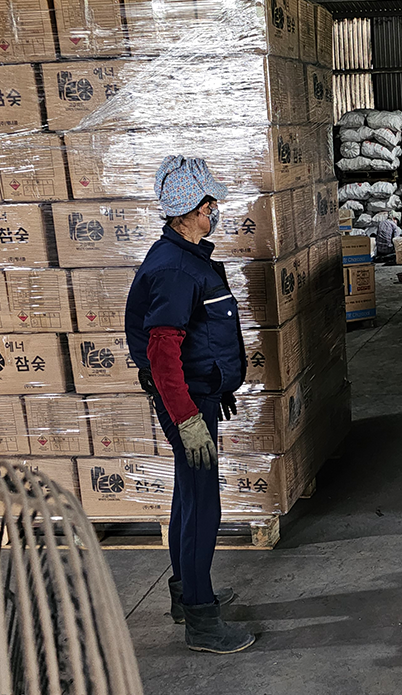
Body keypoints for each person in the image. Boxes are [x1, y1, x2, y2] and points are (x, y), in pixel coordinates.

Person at [125, 155, 255, 654]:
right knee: (203, 505)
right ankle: (202, 619)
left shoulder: (186, 258)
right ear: (194, 210)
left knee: (188, 494)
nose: (215, 211)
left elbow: (201, 336)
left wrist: (220, 386)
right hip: (186, 402)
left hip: (199, 394)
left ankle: (185, 593)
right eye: (210, 205)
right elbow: (162, 353)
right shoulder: (177, 269)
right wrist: (187, 418)